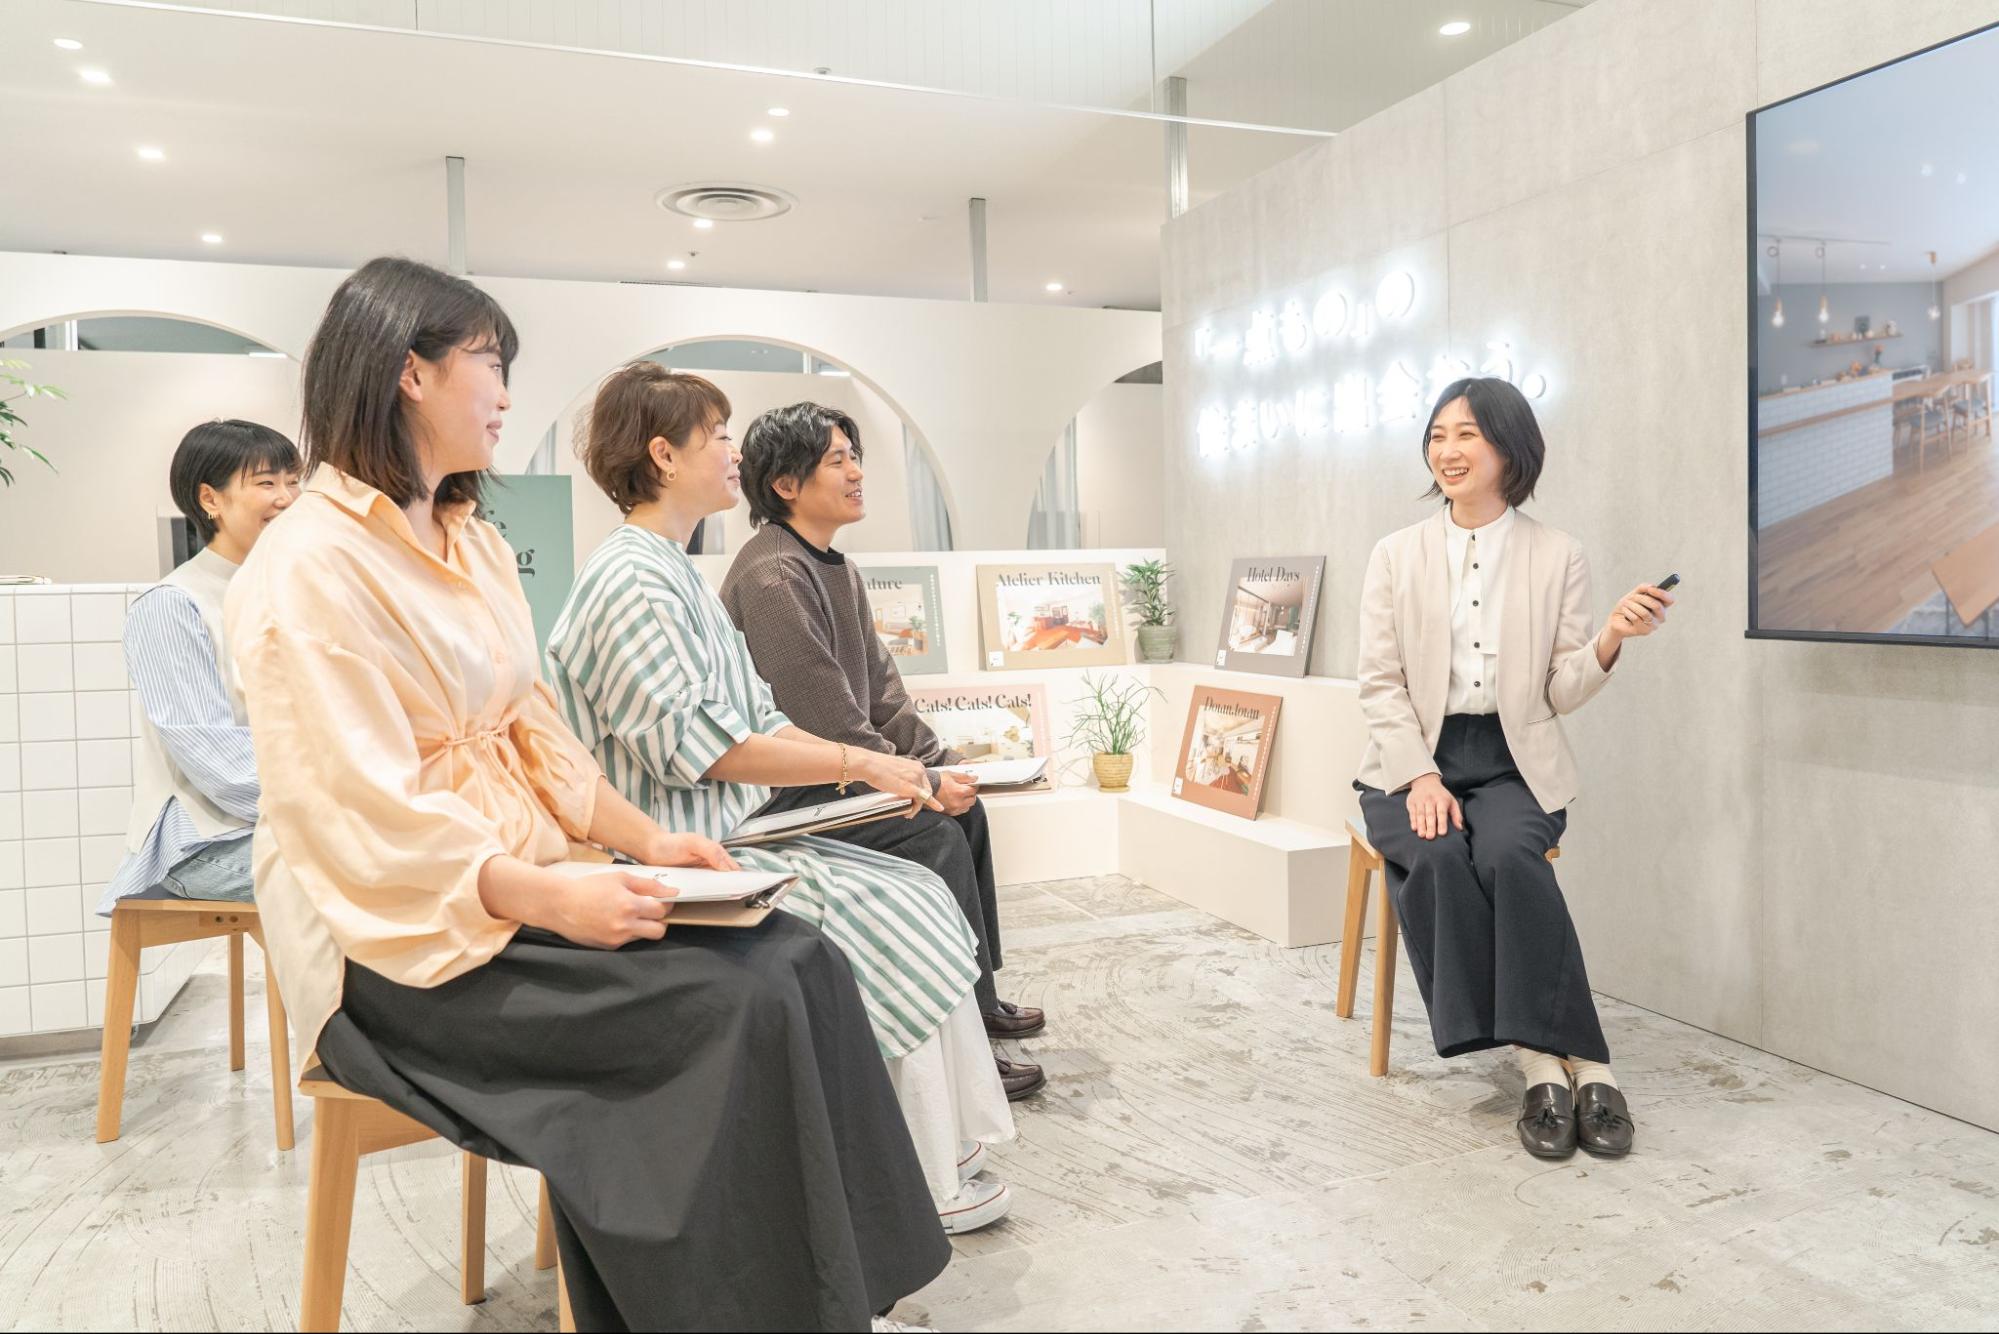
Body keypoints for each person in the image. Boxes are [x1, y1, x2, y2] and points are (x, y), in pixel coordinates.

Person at [226, 256, 951, 1330]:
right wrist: (551, 896)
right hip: (394, 941)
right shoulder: (305, 567)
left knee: (796, 956)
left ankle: (835, 1296)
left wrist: (647, 842)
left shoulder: (467, 539)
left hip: (521, 885)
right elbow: (354, 815)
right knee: (727, 1006)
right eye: (491, 362)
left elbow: (539, 735)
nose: (506, 392)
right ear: (410, 372)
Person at [545, 364, 1016, 1235]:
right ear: (663, 454)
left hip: (728, 836)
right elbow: (703, 746)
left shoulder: (673, 571)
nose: (734, 453)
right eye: (719, 436)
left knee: (918, 884)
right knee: (901, 900)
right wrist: (864, 765)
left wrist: (889, 766)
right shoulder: (633, 580)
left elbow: (761, 717)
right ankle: (911, 1175)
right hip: (681, 855)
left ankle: (928, 1156)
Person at [1353, 376, 1673, 1162]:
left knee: (1507, 855)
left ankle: (1585, 1065)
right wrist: (1419, 777)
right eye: (1437, 435)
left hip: (1512, 762)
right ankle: (1542, 1062)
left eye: (1466, 434)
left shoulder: (1556, 554)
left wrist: (1609, 639)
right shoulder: (1394, 555)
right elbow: (1378, 683)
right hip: (1410, 761)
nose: (1447, 450)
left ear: (1509, 448)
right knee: (1435, 855)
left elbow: (1559, 689)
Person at [720, 402, 1047, 1101]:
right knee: (933, 833)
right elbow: (826, 719)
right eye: (836, 460)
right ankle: (965, 1037)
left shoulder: (832, 565)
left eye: (854, 456)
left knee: (965, 814)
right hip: (796, 788)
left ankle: (980, 999)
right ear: (785, 484)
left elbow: (882, 691)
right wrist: (920, 785)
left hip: (845, 770)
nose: (856, 472)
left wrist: (942, 765)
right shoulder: (773, 577)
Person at [98, 420, 300, 916]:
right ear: (210, 499)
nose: (287, 498)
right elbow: (221, 766)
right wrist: (324, 807)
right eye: (267, 482)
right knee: (374, 880)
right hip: (204, 844)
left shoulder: (294, 592)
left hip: (292, 823)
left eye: (294, 481)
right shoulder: (172, 606)